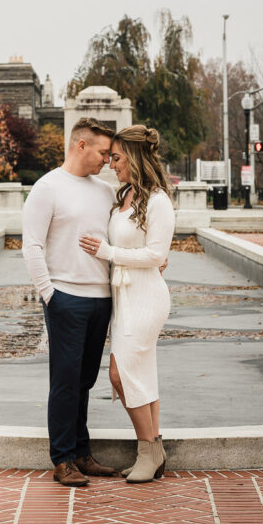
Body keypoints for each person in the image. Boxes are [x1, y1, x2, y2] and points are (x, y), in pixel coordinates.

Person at [22, 117, 118, 487]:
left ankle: (81, 453)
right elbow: (31, 246)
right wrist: (50, 295)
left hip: (101, 300)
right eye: (103, 152)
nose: (108, 160)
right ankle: (62, 459)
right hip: (65, 298)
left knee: (85, 381)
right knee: (64, 382)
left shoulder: (105, 192)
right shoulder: (48, 188)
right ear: (81, 145)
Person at [79, 124, 175, 483]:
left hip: (146, 297)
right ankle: (154, 450)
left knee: (121, 374)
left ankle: (147, 450)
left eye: (116, 158)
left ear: (134, 157)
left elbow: (156, 254)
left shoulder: (159, 201)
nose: (110, 164)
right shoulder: (124, 196)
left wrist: (109, 252)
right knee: (141, 374)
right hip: (123, 297)